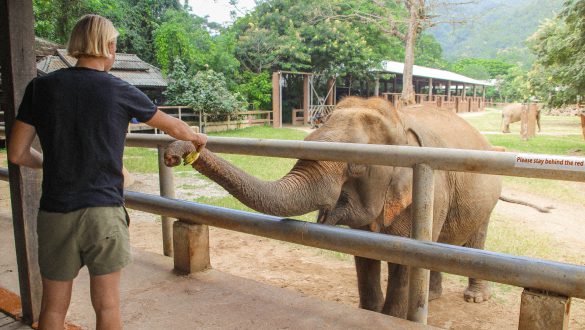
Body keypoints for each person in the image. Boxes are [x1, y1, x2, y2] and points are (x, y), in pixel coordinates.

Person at [7, 14, 207, 330]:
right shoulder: (119, 90)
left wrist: (54, 163)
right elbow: (174, 126)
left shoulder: (40, 87)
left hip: (56, 212)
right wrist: (196, 136)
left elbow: (17, 153)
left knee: (54, 309)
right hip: (104, 212)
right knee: (107, 307)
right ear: (109, 46)